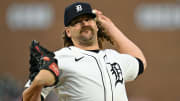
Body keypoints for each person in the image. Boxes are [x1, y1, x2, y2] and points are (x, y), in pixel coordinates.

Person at [22, 2, 147, 101]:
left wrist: (110, 27)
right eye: (77, 22)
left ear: (96, 25)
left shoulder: (113, 56)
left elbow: (140, 62)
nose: (84, 23)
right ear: (68, 32)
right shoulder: (59, 59)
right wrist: (37, 84)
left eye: (88, 19)